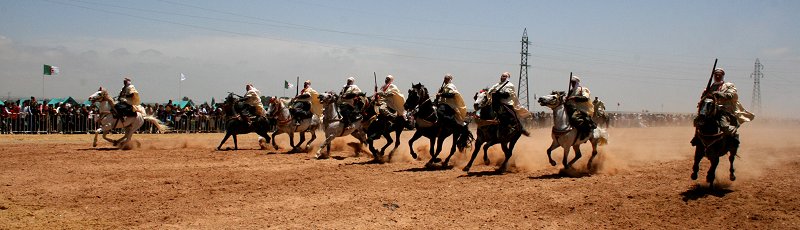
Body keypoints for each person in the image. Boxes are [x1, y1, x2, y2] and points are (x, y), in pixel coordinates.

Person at [697, 67, 755, 144]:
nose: (717, 76)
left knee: (725, 127)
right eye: (716, 75)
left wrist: (719, 94)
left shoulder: (728, 86)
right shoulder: (710, 87)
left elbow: (731, 95)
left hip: (723, 110)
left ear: (723, 76)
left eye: (719, 75)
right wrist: (705, 94)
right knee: (698, 123)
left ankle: (733, 140)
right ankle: (696, 139)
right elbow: (703, 99)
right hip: (710, 111)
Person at [487, 72, 530, 136]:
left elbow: (507, 95)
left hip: (506, 103)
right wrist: (489, 93)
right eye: (502, 76)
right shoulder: (497, 84)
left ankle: (514, 127)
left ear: (507, 78)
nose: (502, 77)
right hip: (495, 103)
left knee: (510, 114)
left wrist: (498, 93)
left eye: (504, 76)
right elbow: (489, 91)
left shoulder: (510, 85)